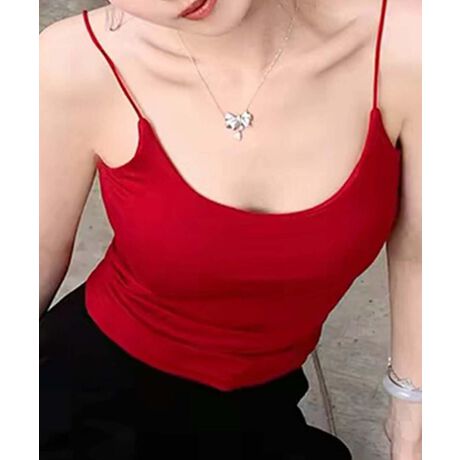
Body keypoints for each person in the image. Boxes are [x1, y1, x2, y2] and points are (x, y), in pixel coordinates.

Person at [39, 0, 421, 459]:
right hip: (92, 397)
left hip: (263, 403)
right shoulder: (77, 61)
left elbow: (422, 252)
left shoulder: (405, 44)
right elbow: (35, 253)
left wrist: (412, 408)